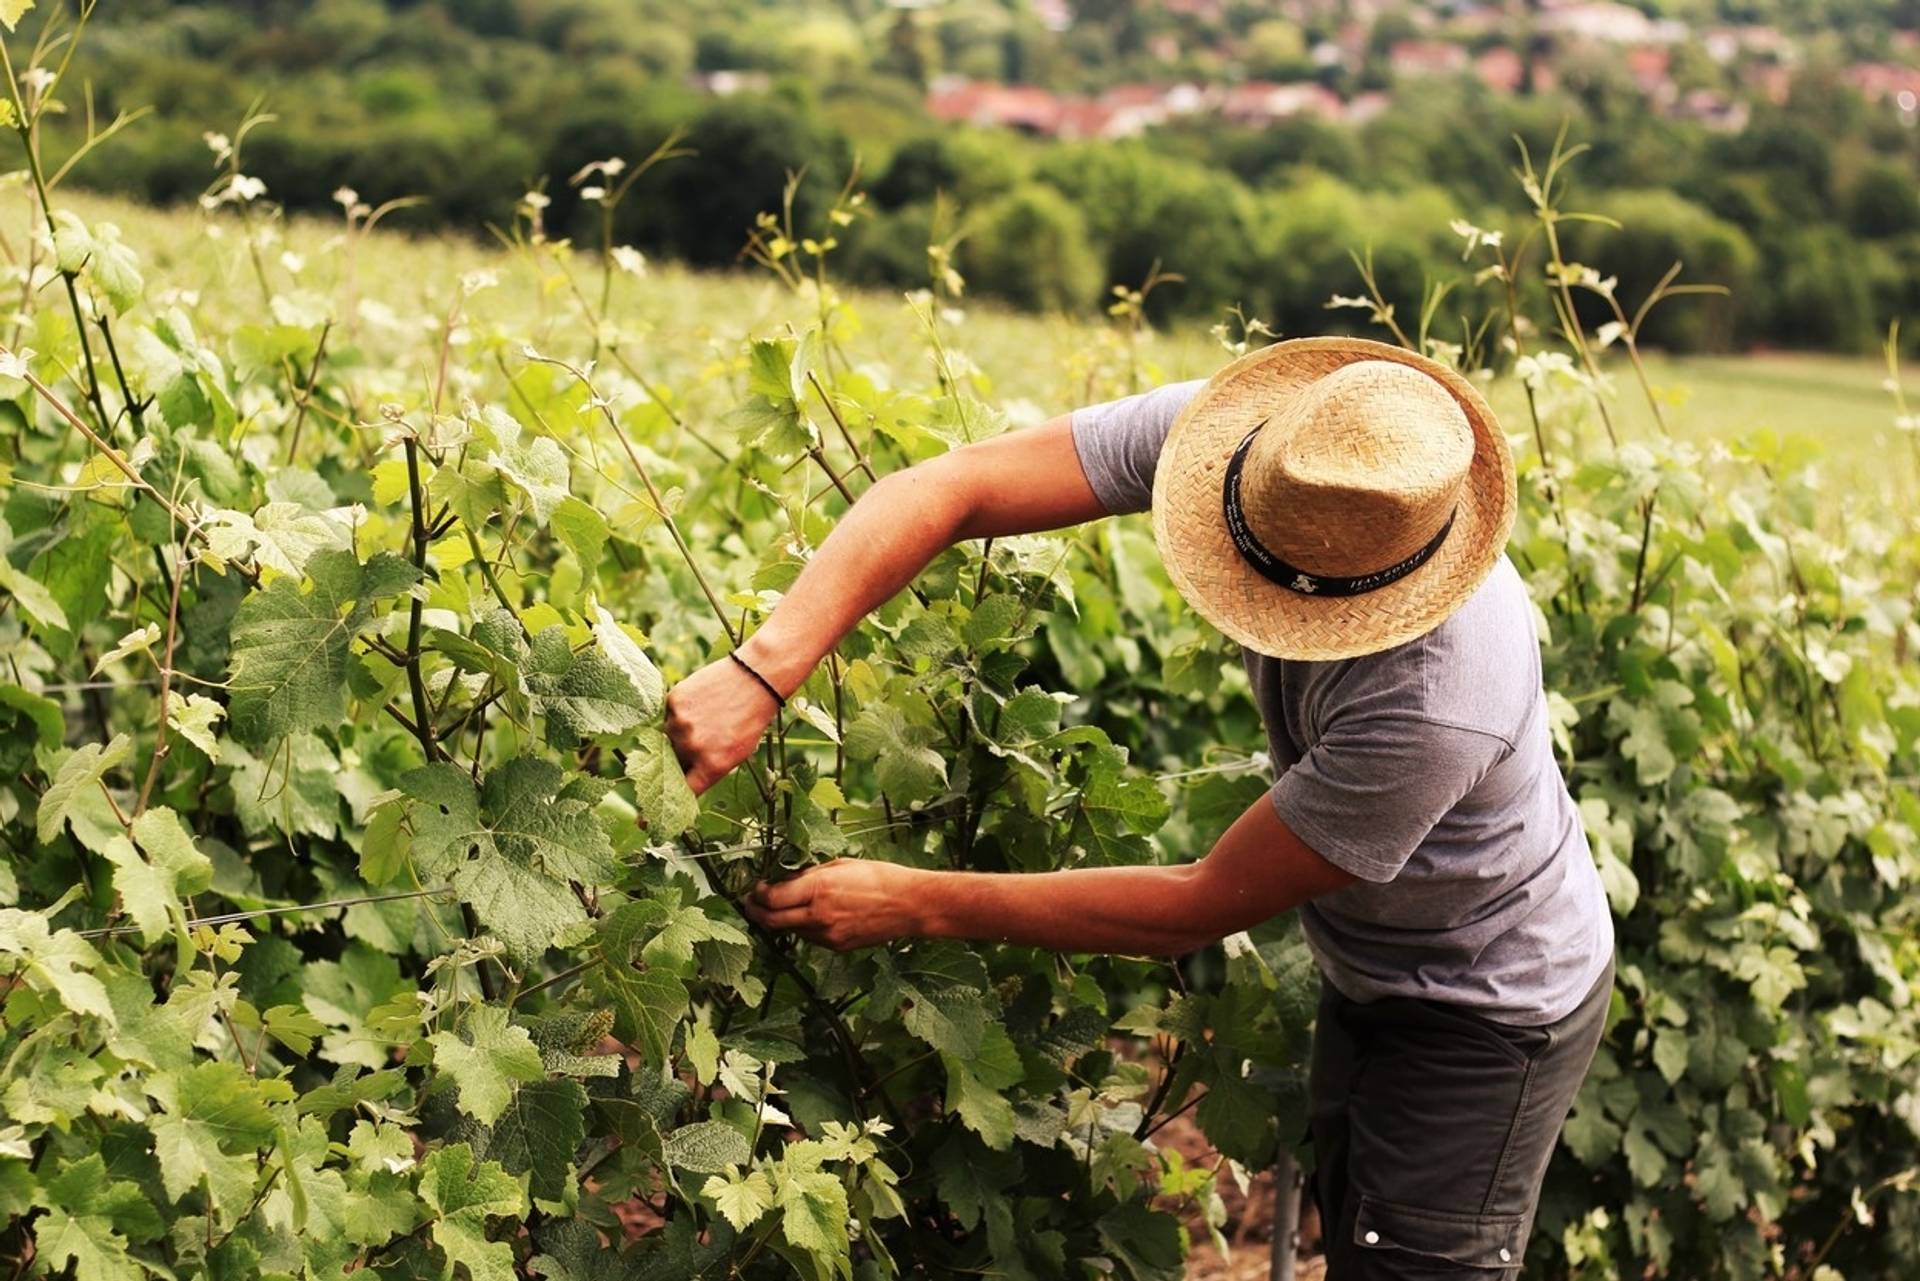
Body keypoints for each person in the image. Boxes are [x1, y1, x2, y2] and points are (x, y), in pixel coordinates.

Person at [664, 336, 1616, 1279]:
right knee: (1359, 1224)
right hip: (1370, 959)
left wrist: (915, 899)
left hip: (1487, 1001)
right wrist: (766, 666)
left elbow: (1195, 904)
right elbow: (951, 486)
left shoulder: (1435, 704)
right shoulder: (1271, 447)